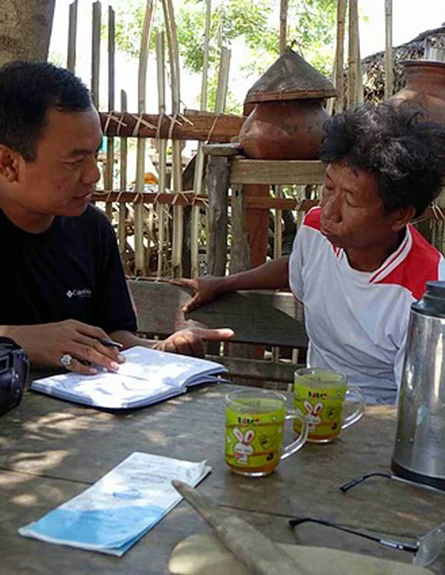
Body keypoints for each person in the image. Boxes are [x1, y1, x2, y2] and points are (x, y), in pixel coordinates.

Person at [177, 104, 445, 404]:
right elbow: (299, 267)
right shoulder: (317, 230)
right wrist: (225, 283)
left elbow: (418, 411)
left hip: (381, 424)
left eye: (352, 202)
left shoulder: (428, 293)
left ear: (400, 216)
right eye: (328, 187)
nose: (329, 211)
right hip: (314, 406)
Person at [0, 61, 233, 375]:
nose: (93, 174)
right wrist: (17, 339)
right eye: (74, 161)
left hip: (87, 413)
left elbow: (113, 338)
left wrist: (161, 351)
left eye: (95, 154)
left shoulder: (91, 229)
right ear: (8, 163)